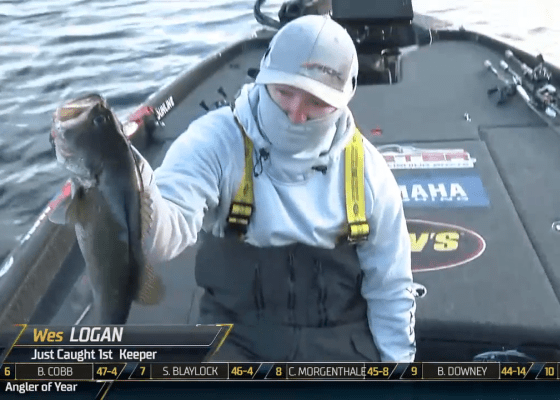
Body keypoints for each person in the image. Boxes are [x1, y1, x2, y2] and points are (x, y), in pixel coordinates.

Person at [139, 14, 416, 362]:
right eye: (284, 92)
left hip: (340, 342)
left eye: (317, 102)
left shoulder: (370, 174)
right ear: (264, 78)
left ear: (343, 102)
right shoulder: (214, 142)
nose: (296, 114)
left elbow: (390, 287)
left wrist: (398, 370)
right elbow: (162, 235)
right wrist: (130, 181)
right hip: (236, 337)